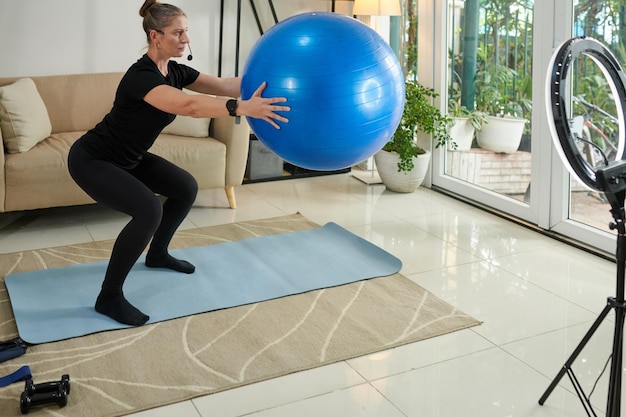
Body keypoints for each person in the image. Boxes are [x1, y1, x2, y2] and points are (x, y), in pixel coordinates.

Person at [68, 0, 289, 327]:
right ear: (155, 36)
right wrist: (241, 108)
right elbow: (188, 106)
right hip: (94, 159)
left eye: (186, 31)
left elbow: (225, 84)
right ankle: (109, 295)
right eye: (178, 32)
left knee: (185, 187)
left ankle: (157, 254)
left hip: (129, 158)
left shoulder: (176, 71)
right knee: (148, 210)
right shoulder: (140, 77)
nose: (186, 39)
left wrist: (277, 78)